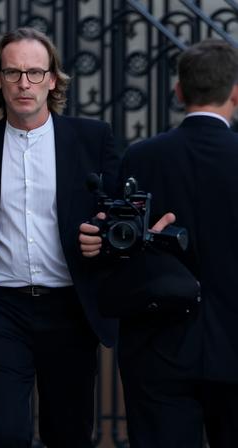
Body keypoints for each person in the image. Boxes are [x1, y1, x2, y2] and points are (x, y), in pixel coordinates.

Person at [0, 27, 120, 447]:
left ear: (53, 79)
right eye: (13, 73)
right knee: (7, 432)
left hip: (70, 308)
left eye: (35, 73)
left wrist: (101, 237)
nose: (24, 84)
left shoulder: (92, 139)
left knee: (68, 434)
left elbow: (117, 213)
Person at [79, 39, 238, 447]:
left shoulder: (142, 157)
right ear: (236, 93)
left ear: (179, 91)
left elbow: (116, 243)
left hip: (158, 350)